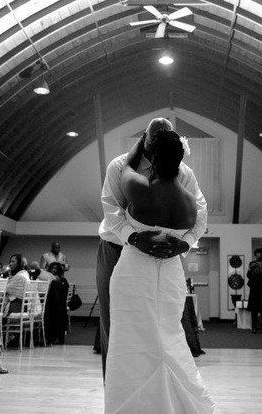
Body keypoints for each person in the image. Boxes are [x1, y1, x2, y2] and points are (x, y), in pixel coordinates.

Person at [104, 129, 214, 413]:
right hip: (170, 273)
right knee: (169, 336)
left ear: (151, 154)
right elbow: (201, 221)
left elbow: (127, 168)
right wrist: (183, 244)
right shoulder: (189, 202)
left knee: (131, 341)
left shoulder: (139, 187)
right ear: (180, 158)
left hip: (133, 271)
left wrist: (139, 145)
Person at [246, 248, 262, 334]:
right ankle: (254, 327)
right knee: (254, 309)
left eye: (260, 254)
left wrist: (261, 267)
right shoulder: (252, 263)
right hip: (254, 289)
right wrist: (250, 270)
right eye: (256, 254)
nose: (258, 255)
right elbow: (248, 276)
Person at [43, 262, 69, 345]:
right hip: (58, 306)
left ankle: (50, 337)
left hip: (57, 306)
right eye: (52, 268)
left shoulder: (60, 280)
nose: (53, 270)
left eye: (55, 268)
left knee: (50, 311)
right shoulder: (54, 280)